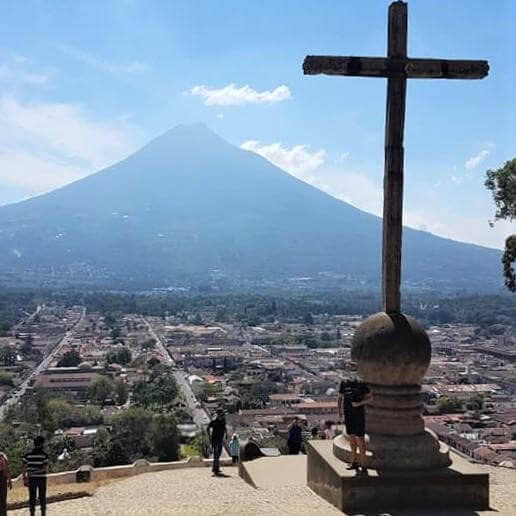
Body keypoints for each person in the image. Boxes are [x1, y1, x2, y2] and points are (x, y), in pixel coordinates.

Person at [337, 376, 373, 472]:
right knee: (351, 438)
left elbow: (371, 398)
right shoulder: (344, 383)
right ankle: (354, 462)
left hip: (359, 415)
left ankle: (363, 463)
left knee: (360, 439)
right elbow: (340, 398)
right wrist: (340, 413)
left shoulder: (361, 383)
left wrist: (359, 403)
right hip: (348, 414)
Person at [23, 435, 49, 516]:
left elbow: (23, 467)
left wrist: (25, 477)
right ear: (41, 444)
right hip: (41, 479)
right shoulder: (44, 455)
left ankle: (32, 513)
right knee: (42, 497)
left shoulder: (27, 455)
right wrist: (36, 471)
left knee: (32, 498)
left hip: (31, 479)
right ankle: (43, 513)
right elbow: (44, 469)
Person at [207, 408, 227, 475]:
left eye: (222, 414)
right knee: (216, 454)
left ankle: (216, 468)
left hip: (220, 440)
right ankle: (215, 469)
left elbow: (224, 428)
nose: (222, 416)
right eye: (221, 414)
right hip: (215, 440)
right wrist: (209, 436)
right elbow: (208, 428)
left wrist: (226, 434)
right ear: (218, 415)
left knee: (218, 454)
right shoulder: (214, 421)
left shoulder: (223, 421)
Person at [0, 451, 12, 516]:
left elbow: (6, 468)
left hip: (2, 478)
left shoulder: (2, 455)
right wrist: (9, 480)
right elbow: (6, 468)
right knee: (3, 500)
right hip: (2, 478)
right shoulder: (3, 455)